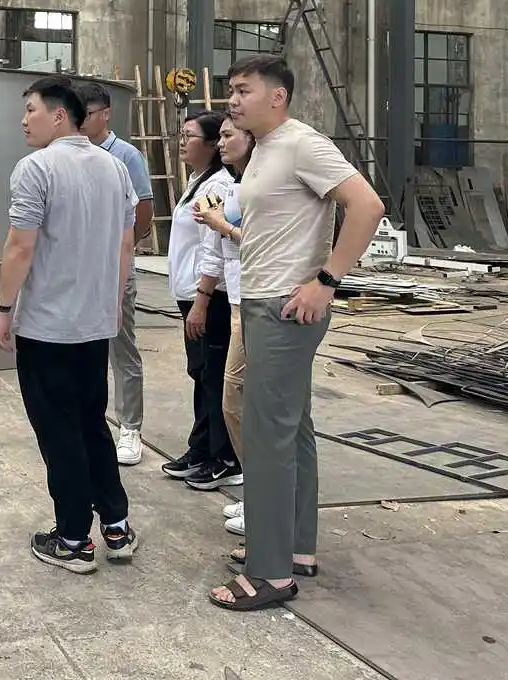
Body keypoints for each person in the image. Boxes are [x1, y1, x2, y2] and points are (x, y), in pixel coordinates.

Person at [208, 54, 385, 612]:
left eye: (243, 90)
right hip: (263, 301)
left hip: (285, 307)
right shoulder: (264, 149)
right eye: (231, 90)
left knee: (266, 435)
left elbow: (367, 206)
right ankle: (295, 548)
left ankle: (269, 574)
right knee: (292, 428)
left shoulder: (303, 144)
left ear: (277, 96)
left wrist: (326, 281)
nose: (233, 100)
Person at [0, 76, 140, 575]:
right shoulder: (114, 167)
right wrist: (112, 304)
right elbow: (126, 245)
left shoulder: (36, 168)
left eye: (30, 110)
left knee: (60, 432)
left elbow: (20, 246)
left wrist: (2, 308)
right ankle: (116, 526)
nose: (23, 121)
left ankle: (74, 538)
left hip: (48, 328)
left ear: (59, 115)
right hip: (95, 324)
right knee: (91, 423)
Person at [74, 80, 155, 467]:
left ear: (106, 114)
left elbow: (144, 212)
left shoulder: (126, 156)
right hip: (77, 267)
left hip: (114, 266)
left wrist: (121, 249)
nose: (81, 121)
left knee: (121, 347)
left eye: (87, 114)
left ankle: (130, 427)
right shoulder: (70, 153)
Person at [159, 110, 238, 489]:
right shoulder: (198, 181)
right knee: (202, 374)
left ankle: (225, 457)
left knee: (214, 375)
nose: (181, 142)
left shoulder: (218, 185)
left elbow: (214, 249)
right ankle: (202, 447)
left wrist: (202, 301)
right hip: (191, 294)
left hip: (208, 296)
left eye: (189, 136)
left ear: (210, 145)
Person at [194, 118, 254, 523]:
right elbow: (217, 249)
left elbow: (266, 243)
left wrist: (223, 225)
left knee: (240, 399)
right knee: (232, 400)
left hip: (259, 302)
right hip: (236, 300)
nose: (221, 143)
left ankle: (264, 498)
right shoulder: (232, 184)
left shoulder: (260, 184)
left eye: (228, 135)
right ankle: (257, 490)